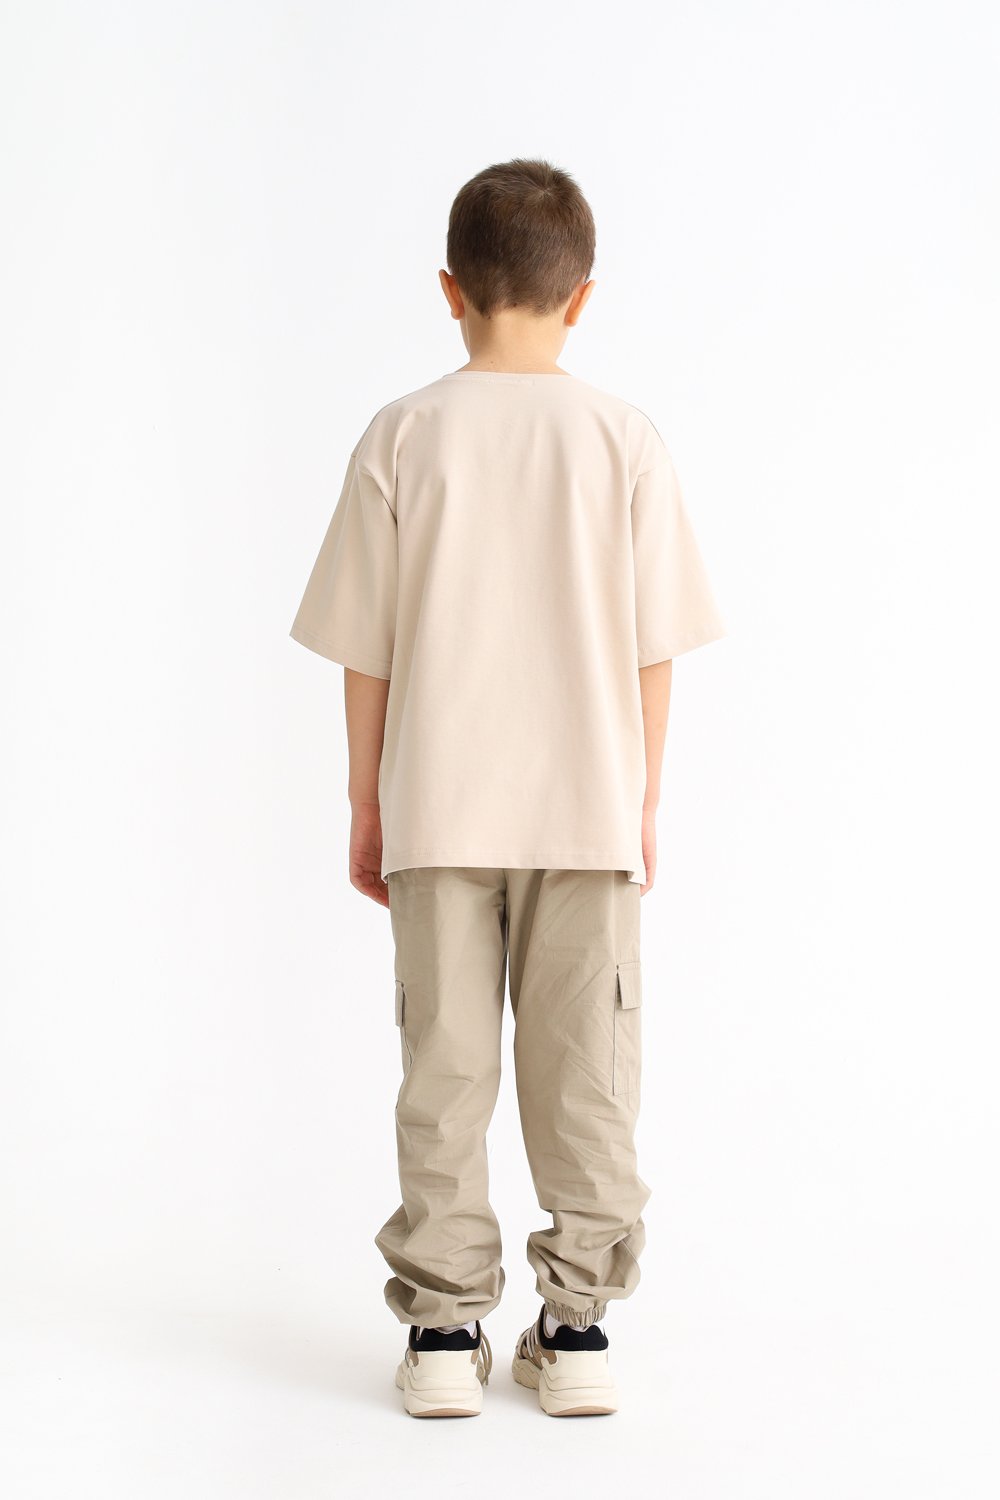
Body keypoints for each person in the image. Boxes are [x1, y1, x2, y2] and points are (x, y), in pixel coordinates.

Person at [288, 157, 726, 1418]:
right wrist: (641, 800)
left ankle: (442, 1336)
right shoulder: (622, 438)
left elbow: (366, 649)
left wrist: (366, 802)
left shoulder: (402, 433)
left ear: (450, 290)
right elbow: (653, 645)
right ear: (581, 298)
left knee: (443, 1069)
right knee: (587, 1072)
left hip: (438, 802)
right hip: (586, 808)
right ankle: (576, 1330)